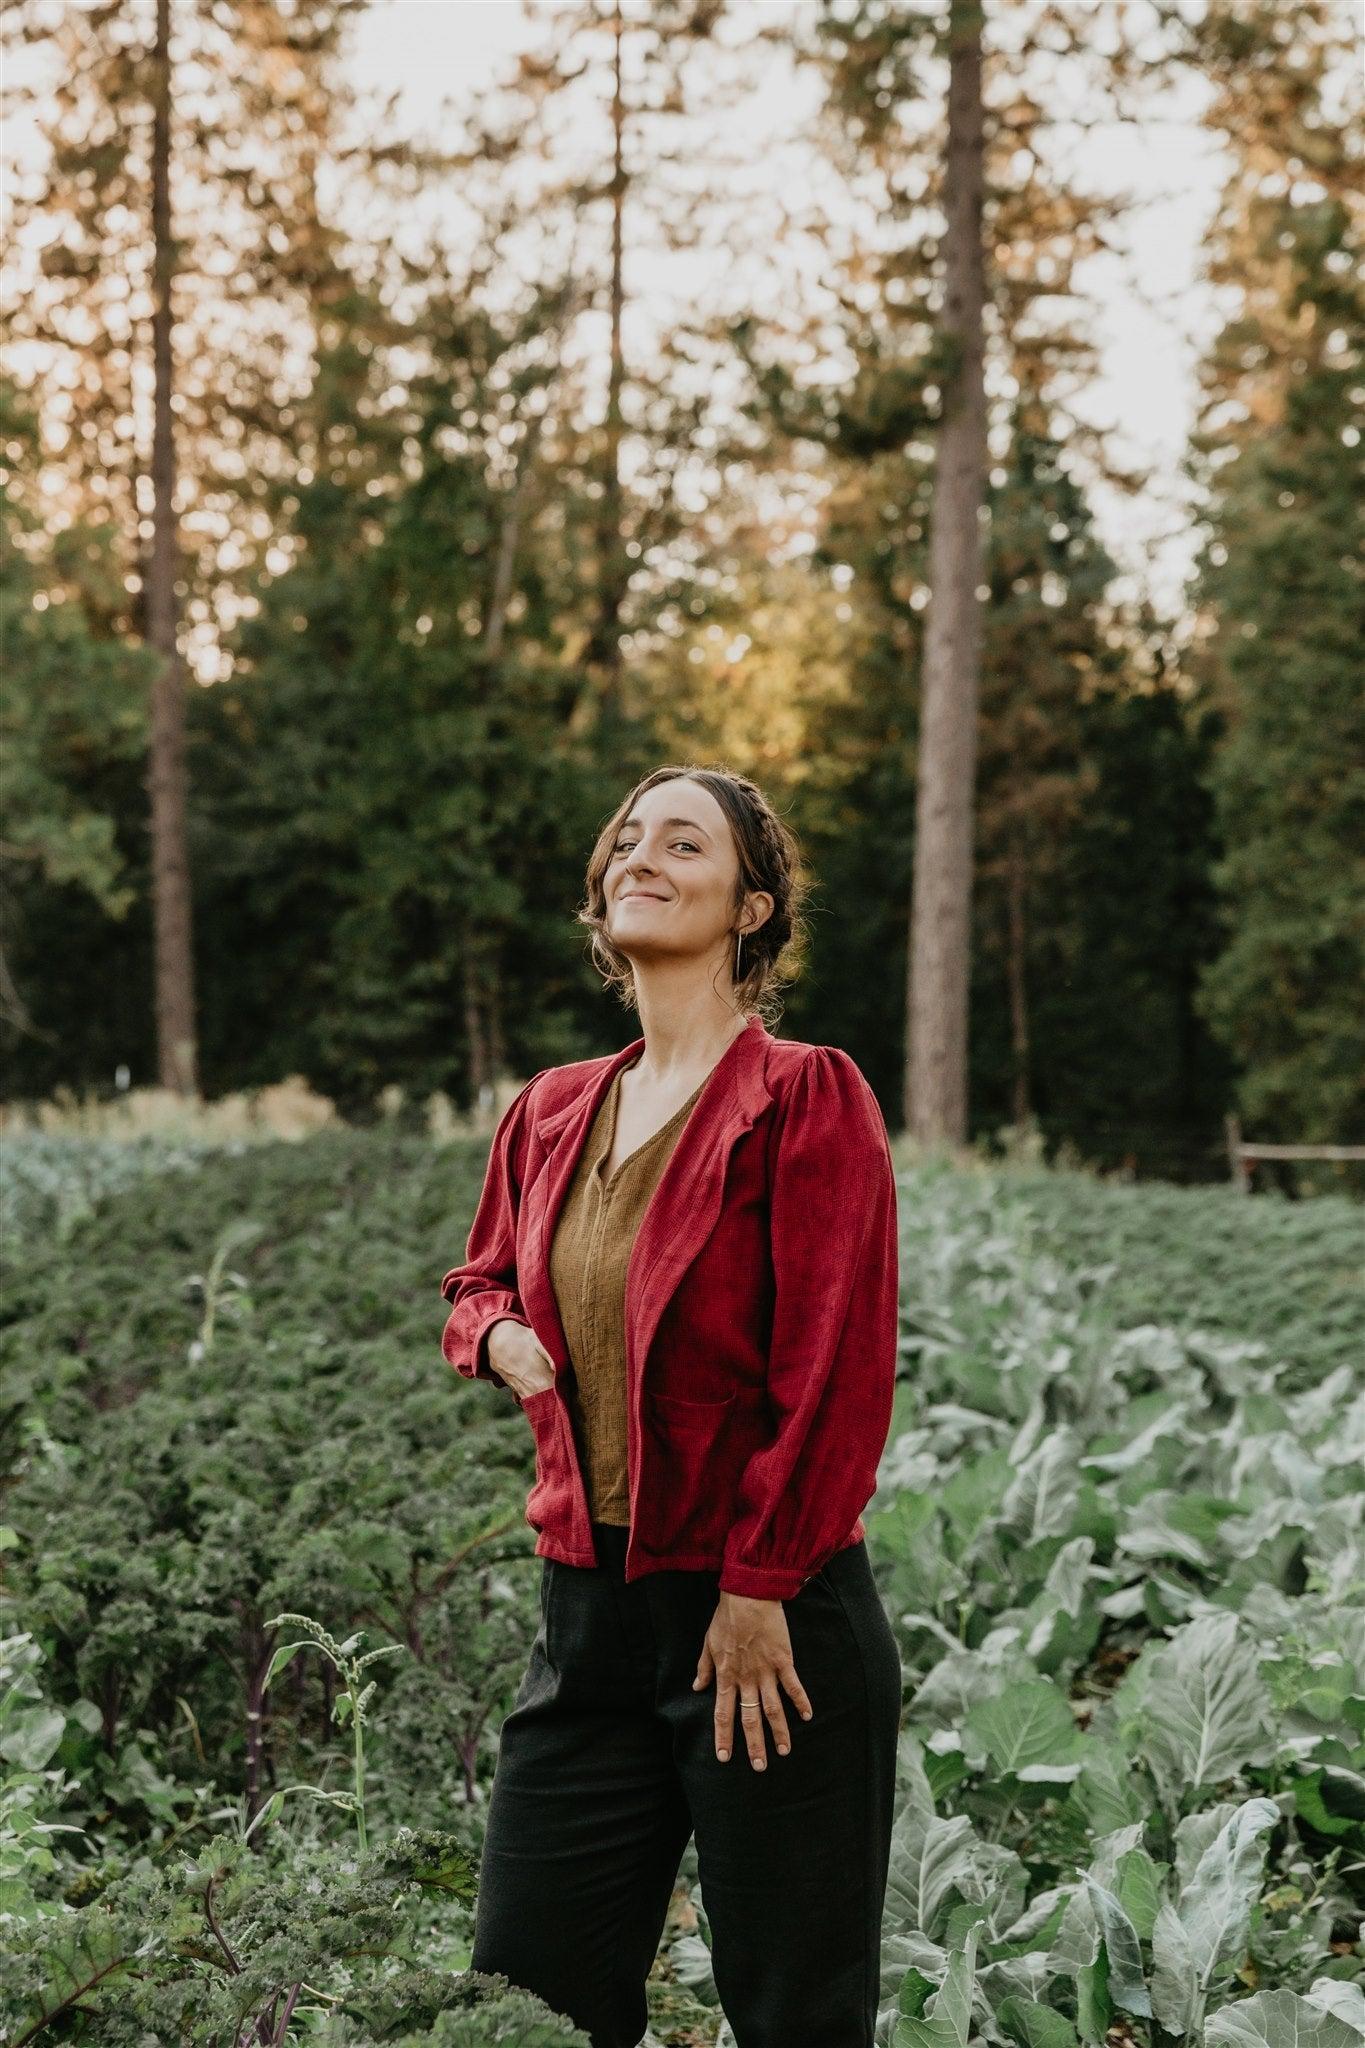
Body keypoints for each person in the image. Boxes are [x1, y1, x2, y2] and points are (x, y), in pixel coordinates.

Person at [440, 764, 903, 2048]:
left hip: (762, 1624)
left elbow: (834, 1370)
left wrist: (758, 1588)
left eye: (682, 842)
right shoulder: (550, 1109)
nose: (640, 857)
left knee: (794, 2017)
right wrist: (501, 1334)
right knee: (523, 2002)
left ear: (752, 907)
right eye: (627, 840)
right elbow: (473, 1280)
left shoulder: (806, 1095)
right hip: (586, 1619)